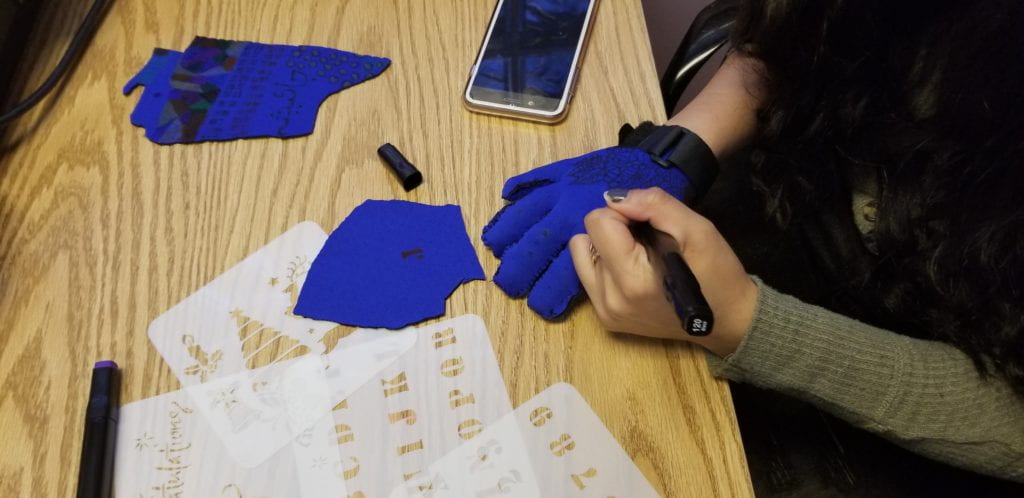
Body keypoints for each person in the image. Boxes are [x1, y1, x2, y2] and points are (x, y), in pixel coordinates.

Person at [566, 0, 1024, 485]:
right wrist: (684, 147)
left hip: (933, 393)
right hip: (801, 206)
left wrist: (745, 325)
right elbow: (796, 33)